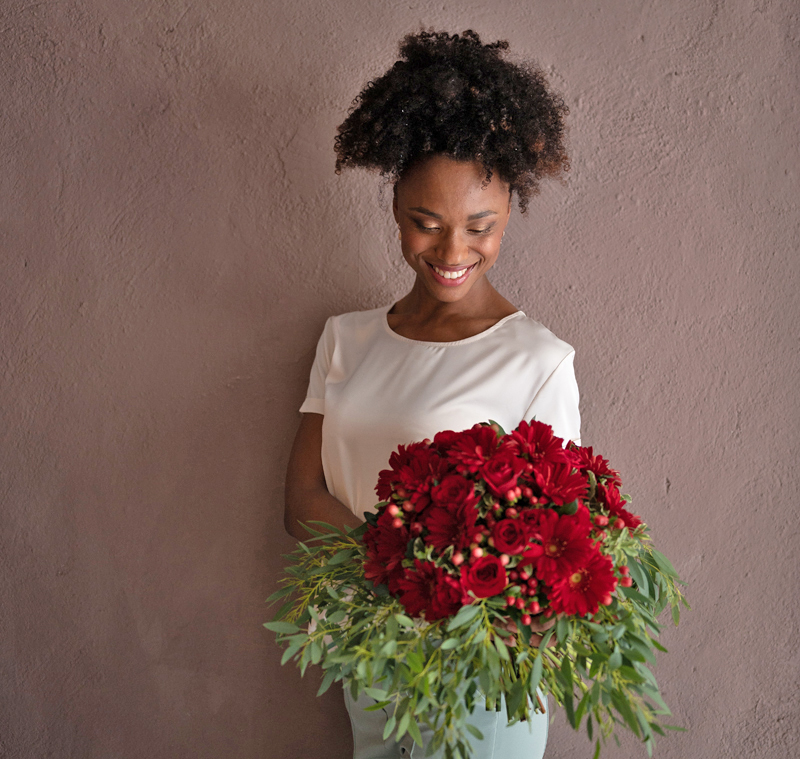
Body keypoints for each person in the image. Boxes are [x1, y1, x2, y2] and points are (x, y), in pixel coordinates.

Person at [284, 29, 579, 759]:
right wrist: (406, 578)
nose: (451, 252)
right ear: (395, 206)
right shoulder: (345, 339)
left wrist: (420, 585)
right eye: (426, 223)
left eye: (480, 227)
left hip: (479, 681)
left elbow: (553, 549)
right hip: (371, 665)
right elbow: (302, 502)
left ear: (509, 211)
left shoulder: (538, 361)